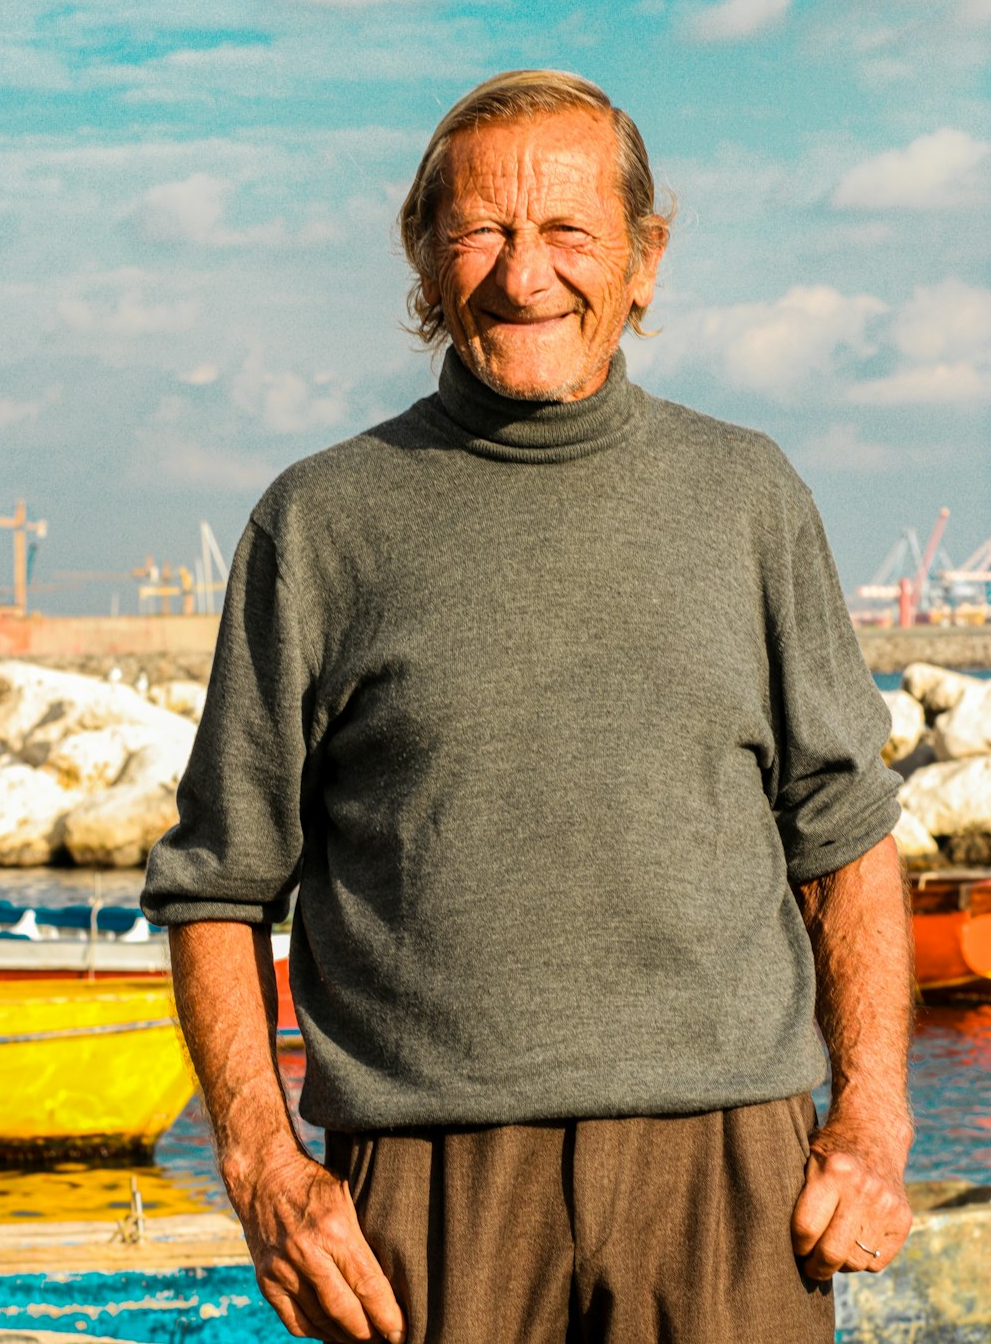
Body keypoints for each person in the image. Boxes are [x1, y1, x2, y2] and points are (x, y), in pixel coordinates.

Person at [141, 69, 914, 1344]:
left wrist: (873, 1124)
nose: (523, 275)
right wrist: (265, 1171)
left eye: (568, 232)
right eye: (484, 232)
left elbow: (845, 838)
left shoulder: (749, 497)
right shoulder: (318, 522)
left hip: (729, 1186)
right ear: (424, 260)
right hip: (428, 1200)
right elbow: (219, 882)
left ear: (644, 259)